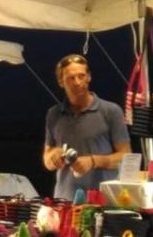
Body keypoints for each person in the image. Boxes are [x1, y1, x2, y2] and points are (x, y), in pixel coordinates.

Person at [42, 53, 132, 199]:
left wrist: (93, 161)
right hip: (64, 203)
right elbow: (47, 159)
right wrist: (53, 158)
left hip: (104, 201)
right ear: (60, 82)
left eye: (81, 76)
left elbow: (125, 157)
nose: (77, 82)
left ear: (89, 77)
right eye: (71, 78)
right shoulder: (53, 114)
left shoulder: (111, 111)